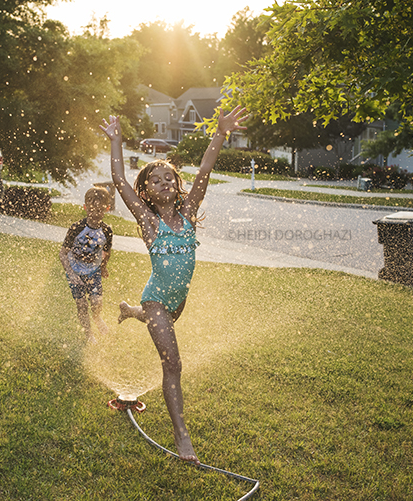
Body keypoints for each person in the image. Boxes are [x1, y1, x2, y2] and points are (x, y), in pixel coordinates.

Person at [99, 106, 249, 465]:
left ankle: (129, 311)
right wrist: (117, 141)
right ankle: (183, 437)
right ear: (147, 192)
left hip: (178, 301)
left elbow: (205, 171)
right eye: (156, 180)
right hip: (158, 301)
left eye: (169, 178)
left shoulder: (188, 214)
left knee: (157, 329)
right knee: (173, 365)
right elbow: (120, 181)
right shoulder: (149, 222)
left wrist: (221, 132)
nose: (165, 182)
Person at [60, 186, 114, 341]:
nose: (95, 214)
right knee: (82, 305)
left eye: (99, 210)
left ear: (107, 209)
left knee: (97, 302)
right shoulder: (76, 228)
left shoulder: (107, 231)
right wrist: (71, 274)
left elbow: (106, 251)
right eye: (91, 209)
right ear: (85, 207)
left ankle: (97, 318)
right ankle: (89, 333)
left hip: (93, 271)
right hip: (75, 271)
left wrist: (103, 267)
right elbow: (62, 254)